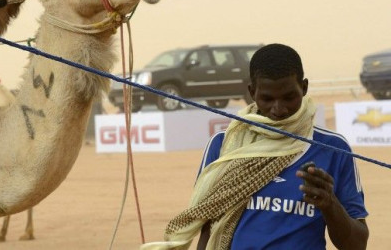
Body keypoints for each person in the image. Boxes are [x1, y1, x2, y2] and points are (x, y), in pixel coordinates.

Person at [142, 43, 369, 250]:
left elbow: (357, 245)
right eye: (267, 99)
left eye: (289, 97)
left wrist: (330, 205)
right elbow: (209, 227)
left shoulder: (333, 149)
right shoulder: (224, 145)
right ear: (252, 93)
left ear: (304, 88)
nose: (278, 109)